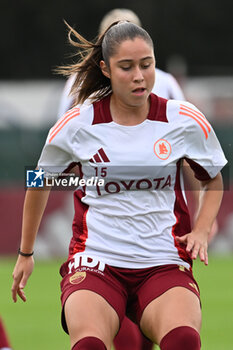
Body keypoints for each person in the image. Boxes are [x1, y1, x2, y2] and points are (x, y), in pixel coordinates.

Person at [11, 21, 227, 350]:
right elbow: (39, 182)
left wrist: (200, 229)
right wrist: (26, 253)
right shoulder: (78, 123)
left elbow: (212, 179)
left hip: (162, 260)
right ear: (106, 69)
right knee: (89, 346)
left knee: (184, 339)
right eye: (126, 67)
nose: (139, 75)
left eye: (147, 64)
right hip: (97, 262)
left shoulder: (182, 119)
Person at [57, 8, 185, 350]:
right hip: (104, 222)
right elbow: (61, 162)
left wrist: (200, 218)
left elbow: (190, 153)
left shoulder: (167, 83)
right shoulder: (77, 88)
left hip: (158, 221)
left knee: (169, 322)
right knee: (105, 318)